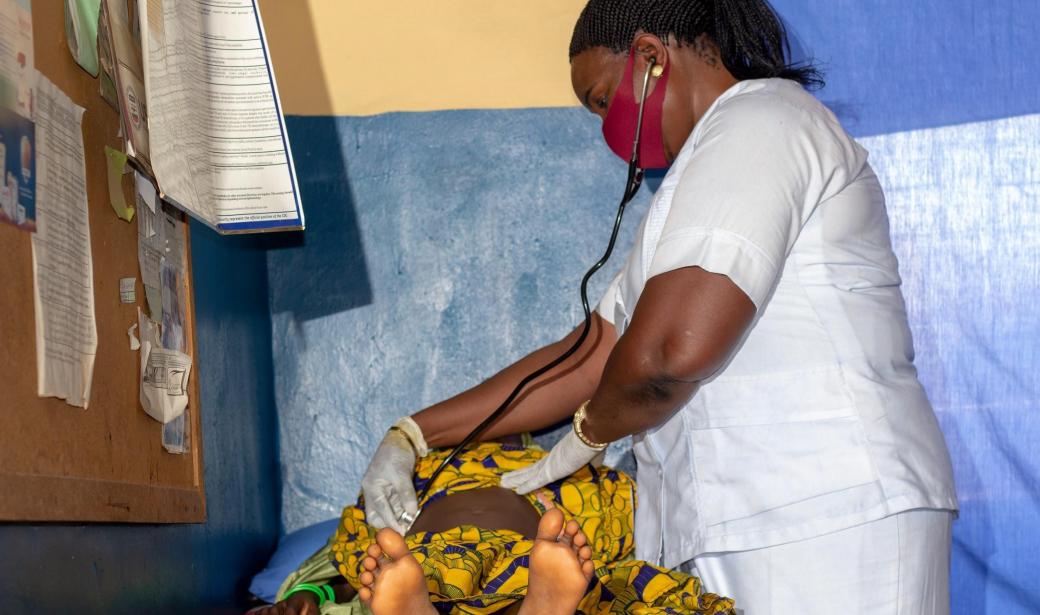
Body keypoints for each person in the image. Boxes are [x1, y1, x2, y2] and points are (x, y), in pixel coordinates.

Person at [361, 0, 958, 613]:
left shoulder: (764, 121)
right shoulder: (698, 184)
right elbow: (592, 355)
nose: (604, 129)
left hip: (827, 514)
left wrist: (586, 434)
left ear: (649, 58)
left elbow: (669, 354)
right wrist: (413, 433)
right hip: (736, 525)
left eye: (600, 99)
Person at [257, 440, 735, 614]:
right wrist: (311, 597)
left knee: (431, 573)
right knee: (430, 572)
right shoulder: (417, 473)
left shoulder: (554, 469)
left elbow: (618, 509)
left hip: (468, 557)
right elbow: (343, 573)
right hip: (448, 557)